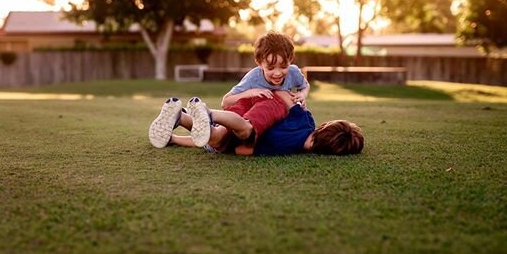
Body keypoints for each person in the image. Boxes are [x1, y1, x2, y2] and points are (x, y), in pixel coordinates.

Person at [148, 94, 364, 156]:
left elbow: (285, 99)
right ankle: (203, 117)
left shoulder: (306, 119)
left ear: (324, 126)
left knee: (211, 134)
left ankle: (180, 118)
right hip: (242, 130)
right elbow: (244, 149)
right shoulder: (286, 148)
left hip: (251, 105)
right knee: (217, 139)